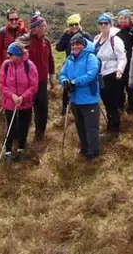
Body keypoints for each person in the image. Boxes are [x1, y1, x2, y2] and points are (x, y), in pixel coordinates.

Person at [59, 32, 101, 161]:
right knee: (80, 126)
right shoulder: (70, 59)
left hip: (89, 99)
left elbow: (91, 74)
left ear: (83, 45)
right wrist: (64, 81)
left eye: (78, 44)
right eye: (73, 45)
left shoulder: (90, 57)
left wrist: (75, 82)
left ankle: (93, 152)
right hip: (75, 99)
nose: (75, 47)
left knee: (91, 127)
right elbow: (62, 73)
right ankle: (84, 148)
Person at [0, 35, 39, 163]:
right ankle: (8, 151)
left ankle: (21, 149)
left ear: (18, 55)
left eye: (11, 55)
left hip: (25, 103)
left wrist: (22, 97)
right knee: (10, 127)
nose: (8, 57)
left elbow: (34, 85)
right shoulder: (6, 65)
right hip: (9, 103)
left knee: (23, 127)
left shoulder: (29, 66)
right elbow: (1, 84)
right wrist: (12, 95)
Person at [93, 13, 128, 136]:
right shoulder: (96, 39)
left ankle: (115, 128)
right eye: (101, 23)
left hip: (112, 75)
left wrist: (119, 70)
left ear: (110, 24)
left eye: (105, 23)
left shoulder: (115, 40)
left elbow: (122, 58)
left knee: (112, 103)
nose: (103, 25)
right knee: (106, 101)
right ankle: (110, 125)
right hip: (100, 75)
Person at [55, 14, 92, 116]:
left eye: (76, 24)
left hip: (84, 65)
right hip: (70, 64)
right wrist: (64, 37)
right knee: (67, 86)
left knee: (81, 85)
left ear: (79, 24)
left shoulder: (85, 36)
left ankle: (81, 107)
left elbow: (92, 48)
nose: (74, 27)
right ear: (68, 26)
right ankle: (65, 109)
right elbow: (58, 48)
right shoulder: (67, 36)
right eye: (71, 25)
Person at [27, 12, 56, 142]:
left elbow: (51, 60)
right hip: (28, 83)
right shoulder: (25, 41)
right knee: (27, 110)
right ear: (36, 28)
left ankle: (40, 134)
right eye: (43, 25)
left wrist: (52, 76)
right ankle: (22, 136)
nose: (46, 27)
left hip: (43, 81)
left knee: (42, 108)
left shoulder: (47, 41)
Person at [115, 10, 133, 114]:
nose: (123, 20)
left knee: (130, 87)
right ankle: (120, 106)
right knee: (119, 87)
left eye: (125, 18)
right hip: (119, 65)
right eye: (121, 18)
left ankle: (132, 108)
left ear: (129, 19)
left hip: (131, 64)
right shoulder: (116, 33)